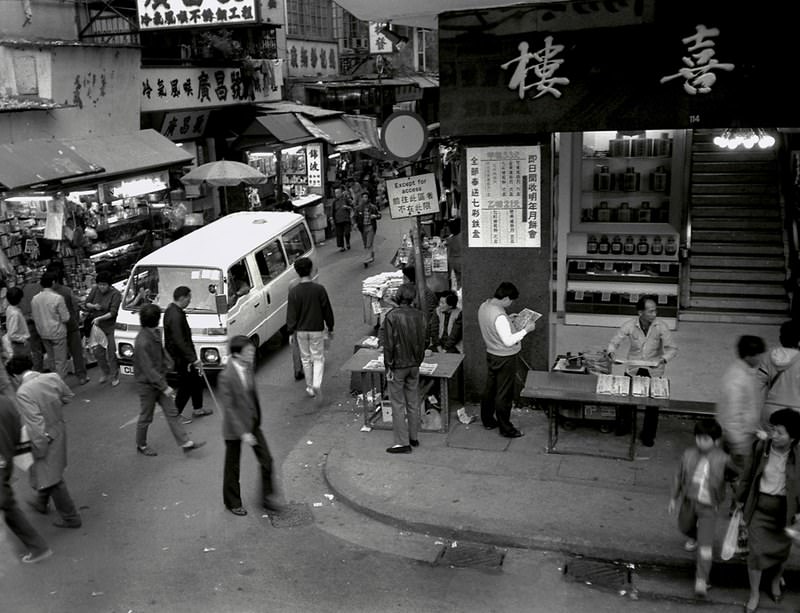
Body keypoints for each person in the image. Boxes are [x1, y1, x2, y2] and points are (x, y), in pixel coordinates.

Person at [737, 408, 800, 613]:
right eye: (773, 430)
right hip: (760, 509)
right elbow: (747, 476)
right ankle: (754, 593)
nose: (774, 435)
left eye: (780, 433)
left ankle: (774, 582)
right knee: (755, 554)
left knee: (781, 552)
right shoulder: (761, 448)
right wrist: (739, 502)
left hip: (785, 512)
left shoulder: (798, 455)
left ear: (792, 438)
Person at [7, 355, 81, 530]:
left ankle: (71, 517)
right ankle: (41, 502)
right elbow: (68, 397)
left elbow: (36, 423)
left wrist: (39, 448)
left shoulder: (23, 392)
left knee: (52, 477)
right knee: (48, 472)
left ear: (15, 376)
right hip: (58, 429)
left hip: (44, 438)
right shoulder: (52, 377)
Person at [668, 419, 735, 598]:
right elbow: (678, 475)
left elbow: (736, 477)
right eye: (698, 438)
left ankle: (701, 579)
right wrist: (674, 497)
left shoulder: (723, 459)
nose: (700, 442)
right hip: (689, 501)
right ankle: (695, 536)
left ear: (716, 441)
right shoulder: (688, 454)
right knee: (684, 526)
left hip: (709, 507)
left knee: (705, 546)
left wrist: (739, 498)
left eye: (705, 439)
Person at [217, 335, 282, 517]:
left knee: (267, 461)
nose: (252, 353)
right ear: (237, 355)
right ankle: (232, 502)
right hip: (235, 428)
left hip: (252, 423)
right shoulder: (226, 376)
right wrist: (243, 433)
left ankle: (266, 497)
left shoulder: (247, 367)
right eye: (248, 351)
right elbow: (229, 409)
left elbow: (251, 395)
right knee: (232, 466)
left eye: (252, 350)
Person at [133, 304, 206, 456]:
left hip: (160, 380)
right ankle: (141, 444)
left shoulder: (155, 333)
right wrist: (164, 386)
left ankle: (185, 442)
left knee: (172, 412)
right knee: (146, 416)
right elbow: (148, 370)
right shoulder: (142, 342)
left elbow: (162, 351)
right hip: (148, 385)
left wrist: (169, 362)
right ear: (156, 319)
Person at [607, 295, 678, 447]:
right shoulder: (630, 326)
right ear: (640, 313)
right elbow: (614, 341)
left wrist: (663, 359)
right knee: (626, 399)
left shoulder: (661, 327)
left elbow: (672, 349)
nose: (654, 314)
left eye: (655, 311)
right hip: (633, 368)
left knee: (652, 405)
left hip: (654, 370)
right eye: (651, 311)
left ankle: (648, 435)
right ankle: (624, 427)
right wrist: (611, 352)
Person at [478, 281, 536, 438]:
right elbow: (508, 341)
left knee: (490, 389)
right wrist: (525, 330)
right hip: (505, 357)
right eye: (511, 301)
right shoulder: (499, 316)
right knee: (504, 394)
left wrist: (509, 319)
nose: (510, 304)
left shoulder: (485, 306)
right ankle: (506, 428)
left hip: (491, 353)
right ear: (506, 298)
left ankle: (488, 420)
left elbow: (493, 326)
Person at [0, 394, 52, 563]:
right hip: (6, 460)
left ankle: (38, 547)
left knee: (8, 505)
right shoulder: (6, 401)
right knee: (7, 503)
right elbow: (17, 430)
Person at [381, 284, 427, 454]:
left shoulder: (391, 316)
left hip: (398, 365)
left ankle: (402, 442)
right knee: (413, 401)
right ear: (413, 298)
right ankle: (413, 437)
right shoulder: (420, 316)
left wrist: (389, 366)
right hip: (414, 364)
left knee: (398, 404)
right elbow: (424, 340)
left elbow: (389, 345)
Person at [717, 335, 767, 478]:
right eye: (759, 355)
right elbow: (733, 412)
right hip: (740, 439)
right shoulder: (738, 378)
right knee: (742, 479)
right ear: (749, 356)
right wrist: (738, 442)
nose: (761, 358)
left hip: (742, 436)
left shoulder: (744, 372)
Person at [286, 257, 334, 399]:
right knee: (318, 357)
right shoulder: (319, 289)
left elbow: (291, 313)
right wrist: (330, 327)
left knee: (305, 358)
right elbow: (327, 310)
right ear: (311, 269)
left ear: (297, 272)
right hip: (316, 329)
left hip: (300, 330)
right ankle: (317, 384)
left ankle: (309, 387)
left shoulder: (294, 292)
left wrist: (290, 331)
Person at [164, 286, 210, 425]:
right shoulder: (176, 315)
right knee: (186, 384)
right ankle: (176, 414)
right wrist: (193, 359)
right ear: (183, 298)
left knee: (196, 379)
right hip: (181, 357)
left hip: (183, 355)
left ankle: (198, 408)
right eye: (189, 298)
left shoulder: (172, 310)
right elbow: (179, 341)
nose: (190, 301)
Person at [46, 262, 89, 385]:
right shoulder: (67, 290)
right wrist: (76, 319)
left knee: (58, 358)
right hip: (70, 325)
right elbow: (75, 306)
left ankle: (59, 382)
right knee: (77, 352)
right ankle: (81, 376)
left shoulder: (44, 295)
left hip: (54, 329)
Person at [756, 320, 800, 424]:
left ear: (780, 338)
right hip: (797, 412)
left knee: (771, 439)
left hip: (771, 411)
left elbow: (756, 385)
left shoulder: (768, 356)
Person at [30, 271, 70, 381]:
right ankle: (60, 384)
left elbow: (34, 316)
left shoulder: (35, 299)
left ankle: (54, 382)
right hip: (58, 332)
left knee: (51, 359)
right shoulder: (57, 298)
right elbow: (65, 317)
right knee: (60, 361)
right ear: (53, 282)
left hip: (43, 333)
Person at [85, 271, 122, 386]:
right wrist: (94, 306)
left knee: (111, 353)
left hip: (110, 326)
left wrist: (100, 318)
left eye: (104, 285)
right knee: (98, 352)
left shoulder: (115, 294)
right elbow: (87, 303)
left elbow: (113, 312)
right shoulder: (95, 289)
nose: (101, 287)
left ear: (109, 285)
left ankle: (114, 375)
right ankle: (105, 372)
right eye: (100, 284)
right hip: (97, 327)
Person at [19, 271, 45, 371]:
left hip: (28, 323)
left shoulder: (21, 290)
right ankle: (55, 371)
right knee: (49, 345)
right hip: (41, 320)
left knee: (36, 350)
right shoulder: (39, 287)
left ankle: (38, 371)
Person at [353, 192, 381, 266]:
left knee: (369, 243)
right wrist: (355, 224)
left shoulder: (373, 207)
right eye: (363, 197)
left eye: (366, 197)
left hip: (371, 227)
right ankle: (371, 255)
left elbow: (379, 215)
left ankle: (367, 258)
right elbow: (355, 217)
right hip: (362, 228)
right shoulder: (358, 208)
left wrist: (375, 216)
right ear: (361, 198)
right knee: (366, 244)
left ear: (368, 198)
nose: (365, 198)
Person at [5, 286, 30, 359]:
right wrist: (23, 339)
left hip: (19, 343)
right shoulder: (15, 313)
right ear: (20, 299)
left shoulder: (10, 308)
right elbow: (12, 334)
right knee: (25, 363)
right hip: (20, 344)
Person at [331, 186, 352, 252]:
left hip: (346, 219)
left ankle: (348, 242)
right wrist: (332, 220)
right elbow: (332, 212)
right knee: (339, 234)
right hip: (338, 220)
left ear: (341, 193)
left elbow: (351, 207)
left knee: (347, 232)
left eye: (338, 193)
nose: (337, 194)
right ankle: (342, 246)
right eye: (335, 193)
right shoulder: (334, 202)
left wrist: (347, 207)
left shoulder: (345, 199)